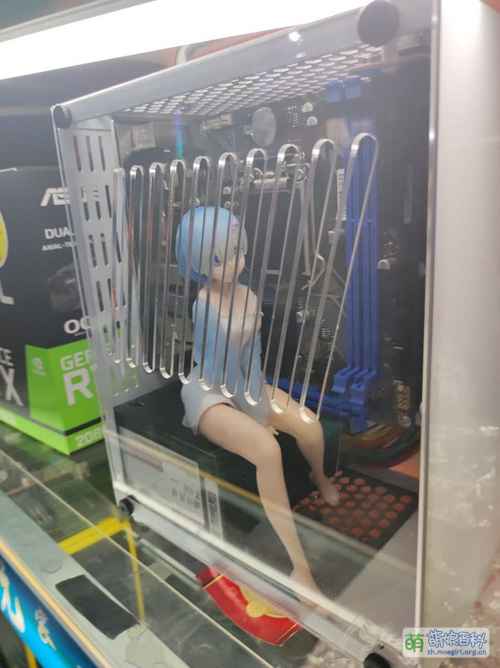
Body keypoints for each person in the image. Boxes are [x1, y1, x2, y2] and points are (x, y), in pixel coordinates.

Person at [176, 206, 339, 593]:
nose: (233, 263)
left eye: (237, 252)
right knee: (267, 451)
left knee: (310, 426)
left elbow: (252, 357)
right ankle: (299, 567)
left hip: (247, 382)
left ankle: (319, 477)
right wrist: (255, 414)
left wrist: (259, 402)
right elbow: (216, 369)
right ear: (198, 262)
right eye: (219, 259)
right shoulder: (205, 305)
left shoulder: (248, 296)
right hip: (211, 392)